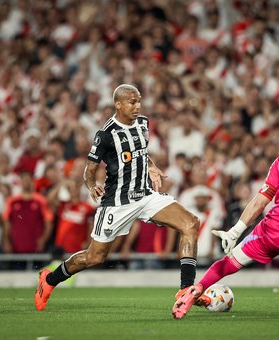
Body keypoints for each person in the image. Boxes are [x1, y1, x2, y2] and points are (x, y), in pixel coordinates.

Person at [35, 84, 200, 316]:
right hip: (117, 202)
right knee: (94, 257)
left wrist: (151, 167)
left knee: (191, 223)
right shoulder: (105, 135)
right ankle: (50, 279)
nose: (137, 106)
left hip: (145, 195)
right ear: (119, 104)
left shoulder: (143, 123)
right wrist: (92, 186)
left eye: (139, 101)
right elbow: (89, 171)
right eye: (132, 102)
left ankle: (185, 290)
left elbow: (141, 151)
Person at [173, 156, 279, 319]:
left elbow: (260, 202)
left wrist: (234, 232)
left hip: (272, 231)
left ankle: (196, 289)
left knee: (229, 262)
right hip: (273, 229)